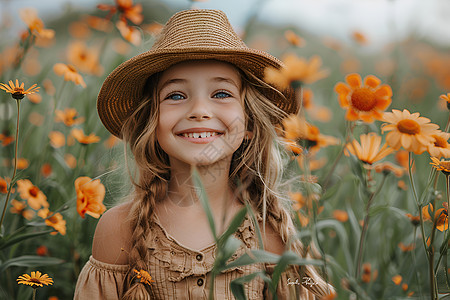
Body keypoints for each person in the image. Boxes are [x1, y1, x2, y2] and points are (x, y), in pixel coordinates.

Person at [74, 9, 334, 299]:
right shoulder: (119, 229)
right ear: (152, 122)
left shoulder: (269, 230)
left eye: (221, 94)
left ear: (249, 123)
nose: (199, 111)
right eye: (175, 95)